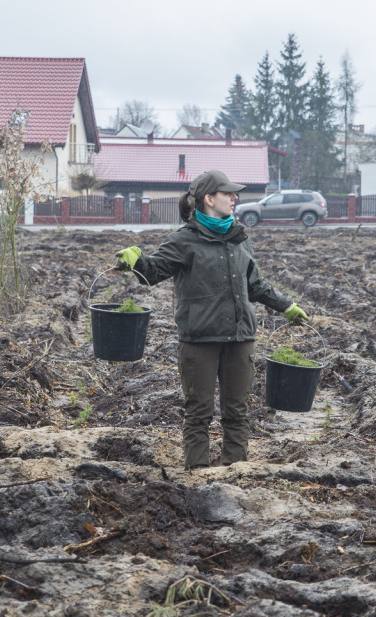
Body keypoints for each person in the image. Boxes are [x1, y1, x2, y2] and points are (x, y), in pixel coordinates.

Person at [114, 170, 308, 470]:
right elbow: (153, 271)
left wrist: (286, 306)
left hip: (240, 339)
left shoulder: (240, 238)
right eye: (227, 193)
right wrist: (136, 258)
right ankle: (197, 476)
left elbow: (255, 285)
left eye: (235, 193)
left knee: (237, 412)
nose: (234, 198)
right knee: (198, 411)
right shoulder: (184, 240)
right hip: (199, 342)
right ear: (208, 199)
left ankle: (236, 473)